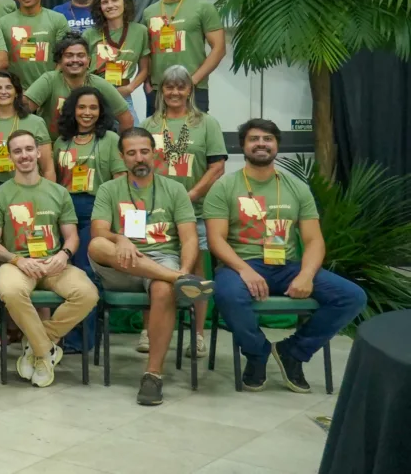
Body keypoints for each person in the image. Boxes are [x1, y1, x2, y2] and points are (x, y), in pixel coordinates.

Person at [206, 118, 366, 393]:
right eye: (254, 139)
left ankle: (293, 351)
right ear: (242, 146)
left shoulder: (297, 188)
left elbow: (314, 240)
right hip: (240, 265)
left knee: (352, 296)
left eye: (267, 139)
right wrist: (244, 270)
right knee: (228, 295)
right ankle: (257, 354)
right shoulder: (225, 187)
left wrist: (306, 274)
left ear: (276, 145)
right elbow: (216, 240)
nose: (261, 144)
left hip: (287, 265)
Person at [88, 128, 212, 405]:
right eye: (131, 153)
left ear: (154, 154)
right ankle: (178, 279)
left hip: (161, 258)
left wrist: (186, 264)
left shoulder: (175, 189)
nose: (139, 158)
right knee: (96, 245)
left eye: (144, 151)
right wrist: (120, 238)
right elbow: (98, 230)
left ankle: (153, 376)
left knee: (162, 291)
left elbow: (190, 238)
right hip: (121, 265)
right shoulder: (109, 189)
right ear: (122, 157)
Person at [0, 131, 96, 388]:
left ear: (38, 152)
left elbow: (72, 237)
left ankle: (37, 345)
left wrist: (64, 254)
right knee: (10, 291)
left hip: (54, 263)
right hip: (17, 264)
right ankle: (45, 352)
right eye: (18, 151)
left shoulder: (58, 192)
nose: (24, 155)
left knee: (88, 293)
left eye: (28, 149)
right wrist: (17, 260)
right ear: (10, 157)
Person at [141, 64, 224, 357]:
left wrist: (190, 195)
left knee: (197, 270)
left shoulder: (206, 123)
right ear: (161, 90)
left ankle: (198, 335)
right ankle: (148, 331)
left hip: (196, 209)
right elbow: (139, 167)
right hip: (153, 211)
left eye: (181, 87)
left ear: (190, 89)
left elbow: (217, 167)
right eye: (169, 87)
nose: (175, 92)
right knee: (148, 265)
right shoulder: (150, 125)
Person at [52, 86, 127, 353]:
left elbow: (120, 182)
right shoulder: (61, 142)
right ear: (72, 110)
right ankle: (60, 332)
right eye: (81, 107)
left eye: (93, 108)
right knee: (62, 274)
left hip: (95, 211)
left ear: (101, 111)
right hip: (64, 212)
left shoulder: (109, 140)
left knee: (84, 271)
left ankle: (82, 340)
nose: (87, 113)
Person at [140, 0, 225, 115]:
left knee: (193, 138)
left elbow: (219, 48)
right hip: (159, 90)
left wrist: (193, 80)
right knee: (158, 138)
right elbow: (146, 52)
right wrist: (147, 82)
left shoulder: (203, 6)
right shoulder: (149, 12)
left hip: (193, 87)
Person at [24, 35, 134, 137]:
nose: (75, 60)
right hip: (53, 148)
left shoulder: (100, 84)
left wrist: (115, 147)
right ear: (60, 61)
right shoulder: (49, 80)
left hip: (92, 150)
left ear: (88, 61)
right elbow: (22, 111)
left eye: (80, 55)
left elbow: (127, 120)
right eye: (69, 55)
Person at [0, 71, 55, 206]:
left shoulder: (35, 122)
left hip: (28, 185)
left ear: (17, 93)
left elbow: (47, 167)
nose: (3, 92)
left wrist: (50, 197)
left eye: (8, 87)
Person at [84, 0, 150, 113]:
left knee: (133, 132)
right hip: (94, 94)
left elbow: (145, 69)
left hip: (122, 93)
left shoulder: (140, 31)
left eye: (115, 0)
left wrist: (130, 88)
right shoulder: (89, 34)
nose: (110, 5)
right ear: (100, 8)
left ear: (124, 3)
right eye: (105, 2)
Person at [0, 0, 70, 88]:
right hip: (16, 93)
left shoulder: (58, 19)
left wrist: (48, 85)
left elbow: (65, 56)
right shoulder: (3, 23)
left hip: (50, 89)